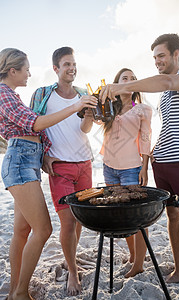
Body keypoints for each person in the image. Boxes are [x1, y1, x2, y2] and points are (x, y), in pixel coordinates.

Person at [100, 33, 179, 283]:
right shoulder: (163, 95)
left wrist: (123, 86)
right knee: (173, 216)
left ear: (176, 54)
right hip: (162, 162)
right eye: (154, 57)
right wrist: (152, 157)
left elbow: (166, 82)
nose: (157, 61)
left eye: (162, 55)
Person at [0, 47, 97, 300]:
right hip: (20, 162)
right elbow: (35, 123)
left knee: (22, 231)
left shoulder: (11, 94)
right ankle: (20, 293)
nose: (29, 74)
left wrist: (45, 153)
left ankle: (13, 291)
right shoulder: (3, 93)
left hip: (28, 160)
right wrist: (75, 106)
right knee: (43, 230)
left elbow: (35, 131)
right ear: (13, 71)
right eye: (26, 69)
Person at [30, 46, 96, 296]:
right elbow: (33, 126)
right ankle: (72, 270)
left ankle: (72, 258)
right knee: (67, 221)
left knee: (79, 219)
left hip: (85, 164)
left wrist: (89, 114)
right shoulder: (43, 95)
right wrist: (43, 155)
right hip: (59, 167)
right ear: (56, 69)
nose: (72, 68)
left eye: (74, 64)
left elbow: (86, 129)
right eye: (66, 64)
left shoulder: (84, 94)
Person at [100, 68, 152, 277]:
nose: (129, 81)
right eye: (124, 78)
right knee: (121, 214)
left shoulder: (141, 109)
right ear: (117, 83)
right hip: (108, 167)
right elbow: (90, 122)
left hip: (131, 168)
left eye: (133, 79)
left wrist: (144, 167)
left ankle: (139, 263)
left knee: (137, 217)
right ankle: (133, 256)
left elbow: (147, 138)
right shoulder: (108, 109)